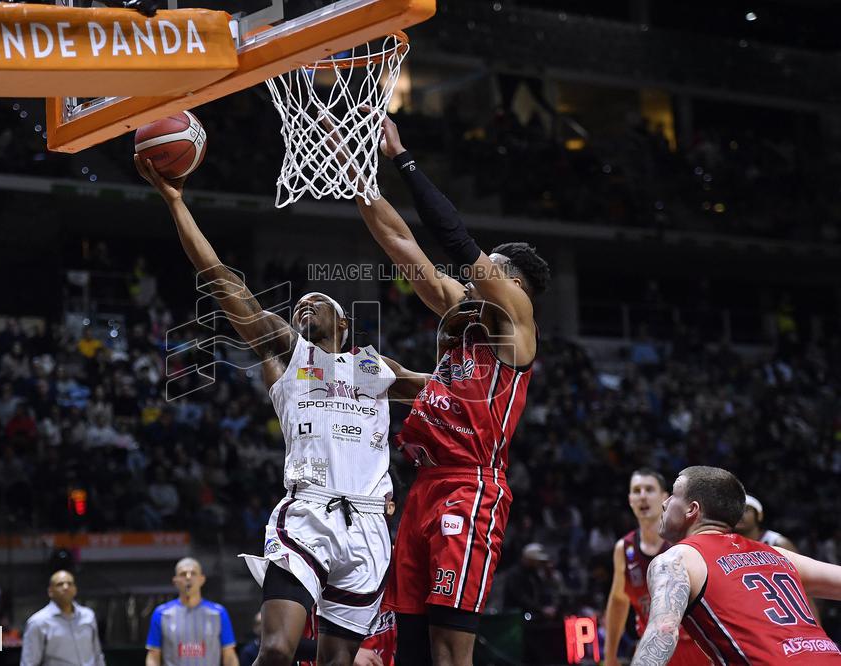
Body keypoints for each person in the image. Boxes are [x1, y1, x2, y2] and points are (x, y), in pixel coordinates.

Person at [135, 155, 428, 666]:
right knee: (275, 649)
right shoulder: (289, 356)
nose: (302, 307)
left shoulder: (374, 366)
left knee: (340, 661)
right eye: (298, 306)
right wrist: (177, 204)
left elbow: (450, 388)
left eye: (316, 302)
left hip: (368, 527)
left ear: (343, 323)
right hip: (309, 512)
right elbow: (222, 282)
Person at [356, 115, 551, 666]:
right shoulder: (462, 322)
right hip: (423, 487)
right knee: (408, 645)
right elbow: (401, 244)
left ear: (510, 283)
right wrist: (353, 172)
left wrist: (401, 158)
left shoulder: (516, 321)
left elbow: (453, 237)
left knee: (450, 653)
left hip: (470, 492)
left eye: (488, 269)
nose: (473, 276)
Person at [631, 466, 841, 665]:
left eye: (674, 495)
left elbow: (663, 631)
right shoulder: (776, 553)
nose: (665, 503)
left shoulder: (676, 559)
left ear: (691, 510)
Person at [604, 469, 710, 666]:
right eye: (637, 490)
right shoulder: (624, 549)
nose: (642, 495)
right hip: (653, 652)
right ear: (630, 499)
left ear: (665, 498)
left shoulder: (686, 542)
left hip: (698, 649)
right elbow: (618, 600)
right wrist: (610, 657)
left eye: (649, 489)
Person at [146, 557, 238, 666]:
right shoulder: (161, 614)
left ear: (202, 579)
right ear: (175, 581)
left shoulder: (218, 613)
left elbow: (229, 655)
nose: (188, 577)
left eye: (193, 573)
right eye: (183, 574)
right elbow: (153, 656)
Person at [21, 570, 104, 666]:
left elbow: (97, 655)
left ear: (75, 589)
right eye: (60, 584)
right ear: (50, 591)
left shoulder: (88, 616)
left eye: (70, 583)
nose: (65, 587)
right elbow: (29, 663)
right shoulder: (38, 622)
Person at [735, 494, 799, 551]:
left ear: (759, 515)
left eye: (746, 510)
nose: (739, 514)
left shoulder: (777, 543)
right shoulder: (727, 541)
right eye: (734, 510)